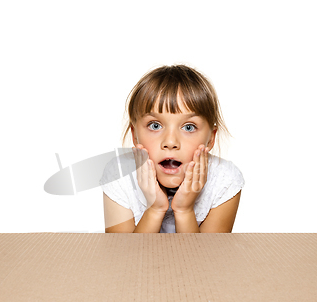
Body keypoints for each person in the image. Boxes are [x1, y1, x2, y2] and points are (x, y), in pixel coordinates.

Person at [100, 64, 245, 233]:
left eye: (189, 127)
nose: (170, 142)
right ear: (135, 135)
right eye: (155, 125)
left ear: (211, 138)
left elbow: (205, 258)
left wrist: (184, 210)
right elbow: (123, 257)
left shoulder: (224, 180)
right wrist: (155, 209)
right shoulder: (119, 174)